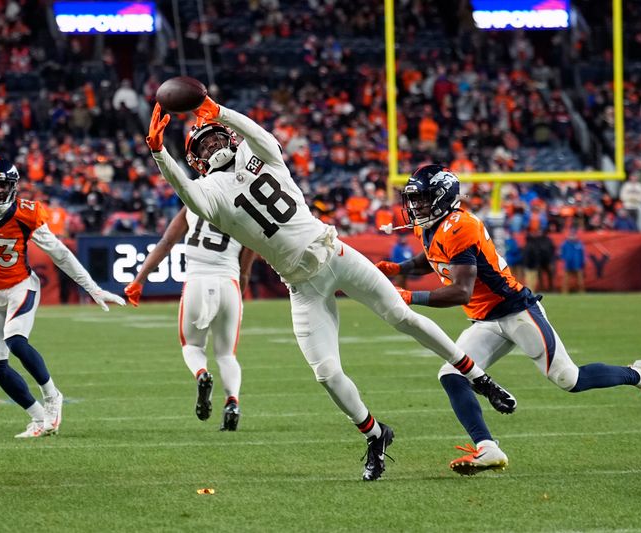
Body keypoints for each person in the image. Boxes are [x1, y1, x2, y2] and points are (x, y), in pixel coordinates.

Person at [144, 97, 516, 481]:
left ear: (229, 137)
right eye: (202, 146)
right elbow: (185, 191)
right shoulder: (209, 195)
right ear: (197, 161)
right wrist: (159, 154)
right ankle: (375, 434)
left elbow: (257, 133)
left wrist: (215, 108)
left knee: (401, 315)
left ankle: (479, 379)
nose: (211, 146)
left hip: (334, 252)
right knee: (326, 372)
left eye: (214, 138)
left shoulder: (259, 153)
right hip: (302, 285)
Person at [376, 165, 641, 476]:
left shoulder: (461, 226)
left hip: (516, 311)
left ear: (441, 196)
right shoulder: (432, 225)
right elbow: (433, 256)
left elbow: (460, 291)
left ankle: (638, 375)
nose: (416, 205)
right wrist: (400, 268)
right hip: (485, 320)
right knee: (452, 374)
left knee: (568, 379)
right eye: (413, 199)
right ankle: (487, 448)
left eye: (422, 198)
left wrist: (409, 296)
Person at [0, 158, 125, 438]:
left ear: (13, 186)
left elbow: (61, 254)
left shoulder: (27, 213)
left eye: (1, 185)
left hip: (21, 286)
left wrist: (93, 288)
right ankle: (39, 417)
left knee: (16, 341)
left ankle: (52, 396)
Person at [123, 206, 257, 431]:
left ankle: (201, 374)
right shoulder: (247, 213)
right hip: (229, 283)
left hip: (197, 281)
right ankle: (232, 403)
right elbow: (245, 271)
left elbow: (166, 243)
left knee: (192, 346)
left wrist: (139, 279)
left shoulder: (195, 201)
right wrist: (238, 298)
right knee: (226, 355)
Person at [560, 228, 585, 294]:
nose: (572, 236)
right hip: (568, 264)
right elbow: (561, 253)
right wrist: (565, 259)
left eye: (574, 235)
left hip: (577, 264)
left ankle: (581, 292)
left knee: (580, 280)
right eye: (571, 235)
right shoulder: (565, 244)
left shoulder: (579, 244)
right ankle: (564, 292)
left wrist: (583, 262)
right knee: (566, 280)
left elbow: (582, 254)